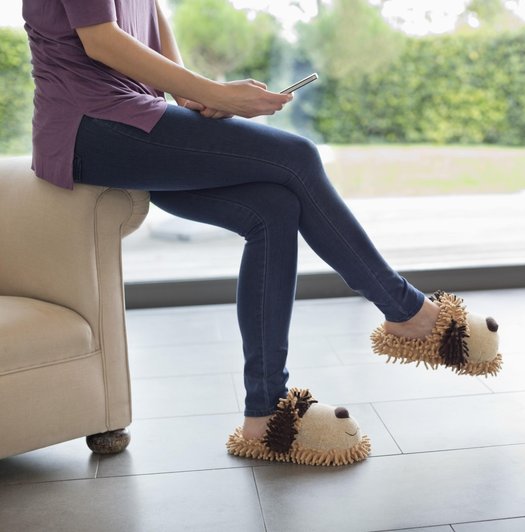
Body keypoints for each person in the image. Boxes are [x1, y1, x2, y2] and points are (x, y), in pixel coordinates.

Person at [22, 0, 500, 466]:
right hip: (91, 128)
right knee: (297, 156)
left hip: (137, 116)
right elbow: (101, 39)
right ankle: (407, 312)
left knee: (274, 208)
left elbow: (151, 12)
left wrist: (188, 93)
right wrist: (216, 92)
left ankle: (264, 411)